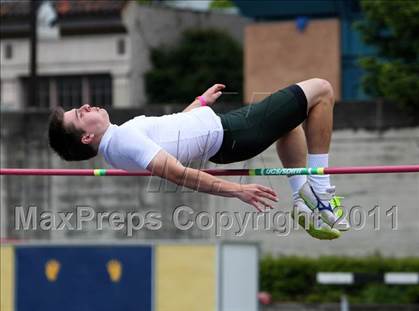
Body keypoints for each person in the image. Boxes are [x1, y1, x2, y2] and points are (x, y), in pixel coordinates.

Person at [48, 78, 349, 240]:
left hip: (226, 135)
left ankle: (301, 196)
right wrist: (238, 191)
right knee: (321, 90)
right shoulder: (123, 140)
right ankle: (320, 189)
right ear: (86, 137)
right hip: (235, 133)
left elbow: (176, 129)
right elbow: (178, 174)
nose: (86, 106)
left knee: (290, 122)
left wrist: (200, 102)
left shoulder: (117, 145)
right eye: (80, 114)